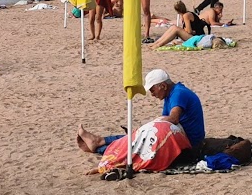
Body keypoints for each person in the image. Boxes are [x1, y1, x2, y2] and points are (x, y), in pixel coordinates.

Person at [76, 68, 205, 164]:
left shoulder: (178, 94)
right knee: (139, 138)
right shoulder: (172, 94)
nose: (152, 94)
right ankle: (99, 143)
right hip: (181, 136)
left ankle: (100, 145)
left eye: (152, 90)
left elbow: (173, 119)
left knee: (140, 143)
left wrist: (146, 127)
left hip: (189, 142)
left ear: (163, 86)